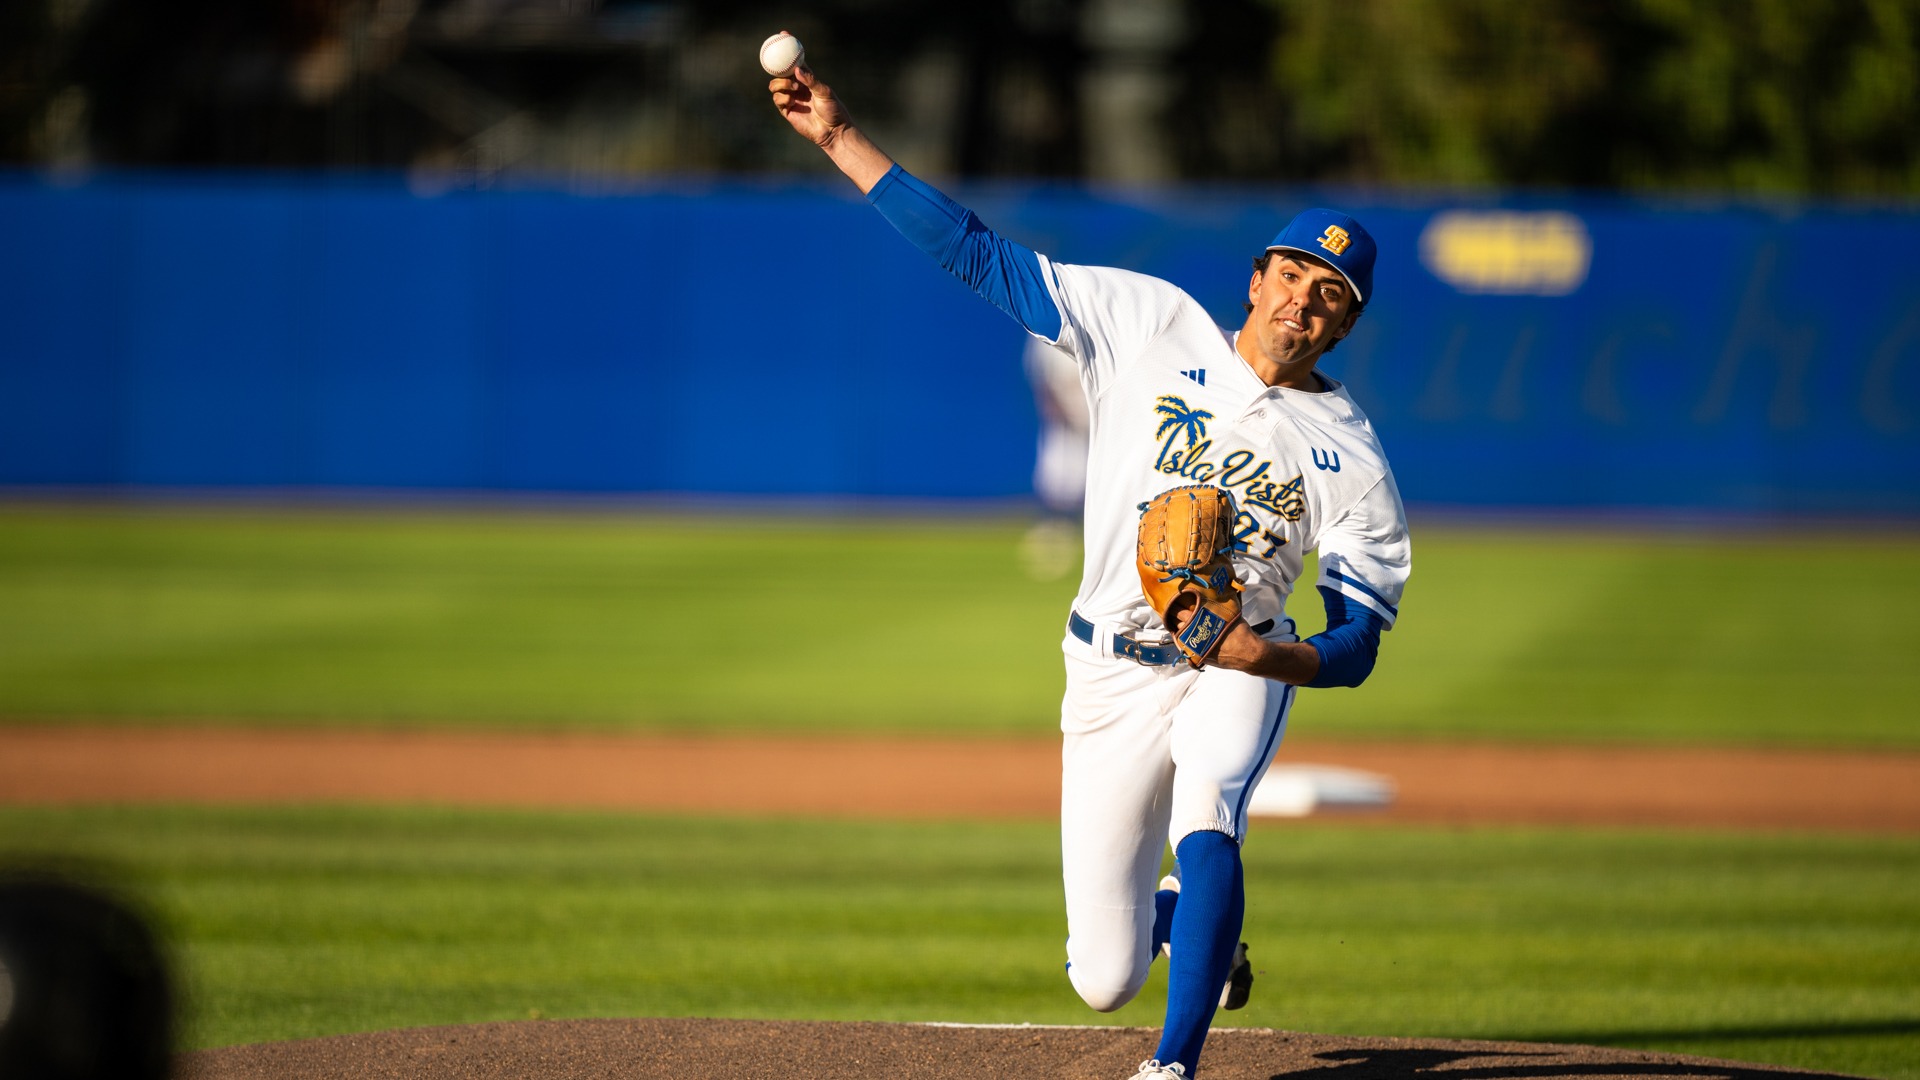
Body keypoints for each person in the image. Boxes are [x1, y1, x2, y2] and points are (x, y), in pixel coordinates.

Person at [770, 63, 1410, 1080]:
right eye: (1292, 274)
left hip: (1229, 667)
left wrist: (1266, 654)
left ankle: (1173, 1066)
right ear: (1257, 278)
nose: (1304, 300)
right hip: (1105, 672)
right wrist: (841, 138)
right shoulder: (1146, 323)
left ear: (1344, 324)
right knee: (1100, 977)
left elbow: (1361, 640)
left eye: (1331, 294)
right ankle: (1177, 921)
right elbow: (977, 256)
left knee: (1213, 810)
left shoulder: (1352, 456)